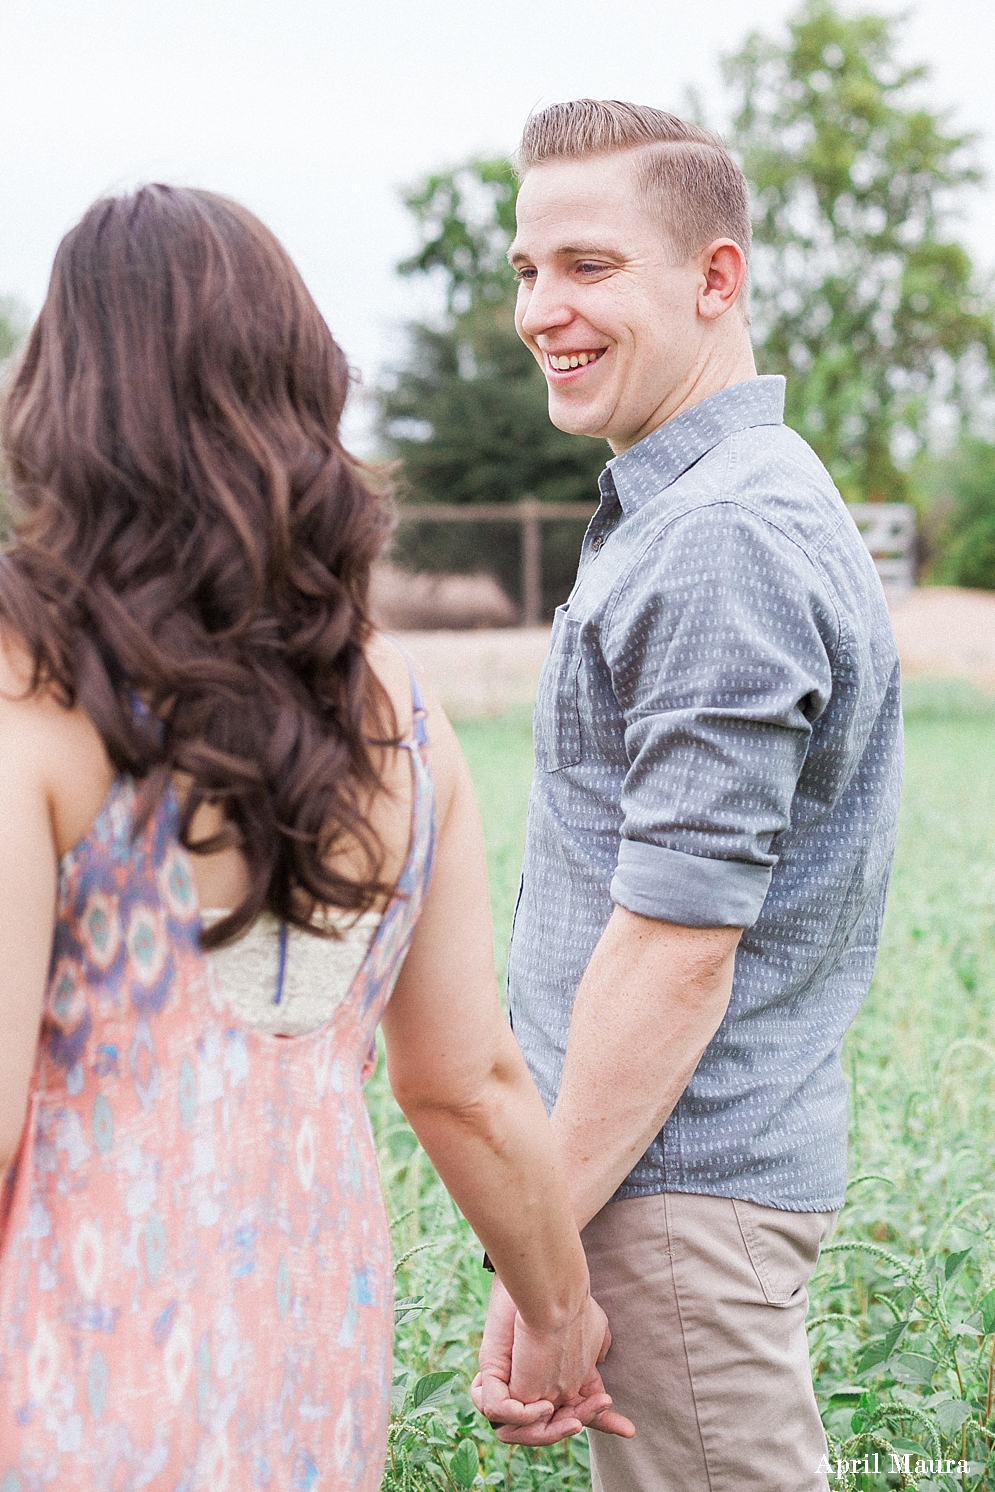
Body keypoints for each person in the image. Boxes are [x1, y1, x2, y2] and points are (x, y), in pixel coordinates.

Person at [0, 185, 627, 1488]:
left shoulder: (29, 695)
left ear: (61, 399)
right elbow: (470, 1087)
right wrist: (561, 1316)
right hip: (306, 1363)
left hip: (56, 1374)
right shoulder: (402, 716)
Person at [470, 101, 903, 1491]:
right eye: (530, 269)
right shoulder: (700, 505)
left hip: (666, 1204)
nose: (543, 308)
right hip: (657, 1193)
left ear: (716, 279)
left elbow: (674, 947)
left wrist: (542, 1265)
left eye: (588, 266)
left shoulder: (717, 538)